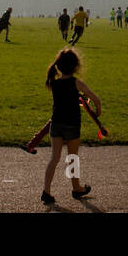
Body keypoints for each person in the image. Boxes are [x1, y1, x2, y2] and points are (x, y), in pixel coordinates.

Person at [39, 48, 99, 204]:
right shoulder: (77, 83)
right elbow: (95, 98)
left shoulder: (55, 83)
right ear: (75, 67)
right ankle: (76, 188)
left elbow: (57, 104)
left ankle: (46, 190)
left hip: (56, 124)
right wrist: (96, 111)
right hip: (72, 125)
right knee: (72, 157)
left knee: (54, 158)